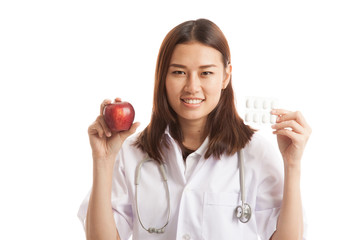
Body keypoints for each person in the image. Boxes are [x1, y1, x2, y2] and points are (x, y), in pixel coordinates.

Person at [78, 18, 311, 240]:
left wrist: (293, 164)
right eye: (179, 72)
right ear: (162, 77)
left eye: (206, 73)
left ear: (225, 76)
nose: (192, 86)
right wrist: (103, 160)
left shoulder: (255, 152)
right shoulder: (131, 153)